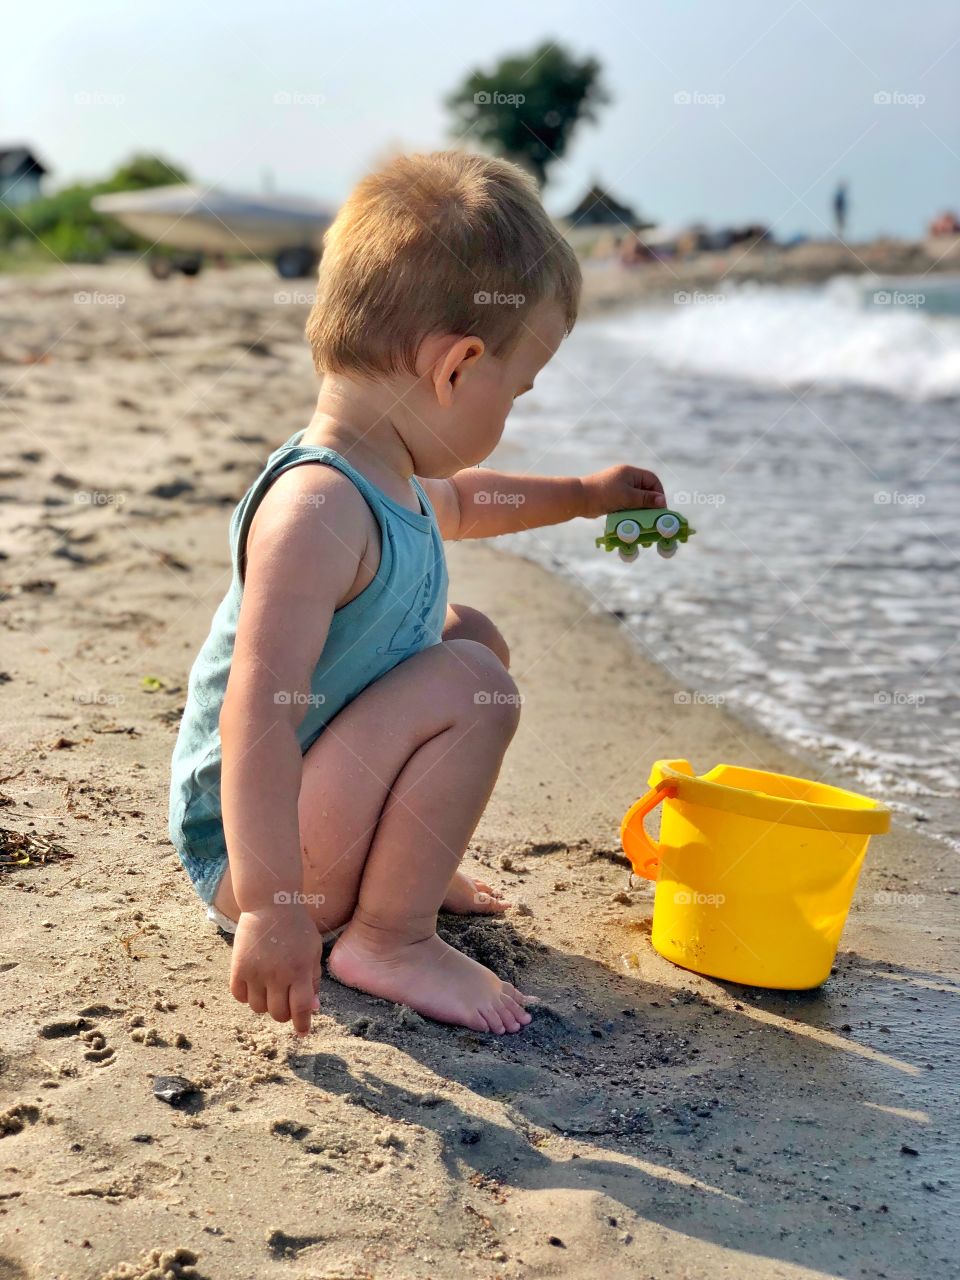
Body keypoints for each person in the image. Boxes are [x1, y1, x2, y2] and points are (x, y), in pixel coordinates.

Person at [168, 150, 667, 1037]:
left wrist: (586, 496)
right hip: (258, 863)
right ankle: (388, 938)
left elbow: (475, 502)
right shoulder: (317, 506)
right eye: (515, 390)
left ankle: (404, 874)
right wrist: (275, 912)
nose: (512, 411)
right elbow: (257, 717)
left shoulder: (384, 470)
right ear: (455, 367)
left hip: (310, 818)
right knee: (471, 680)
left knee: (468, 635)